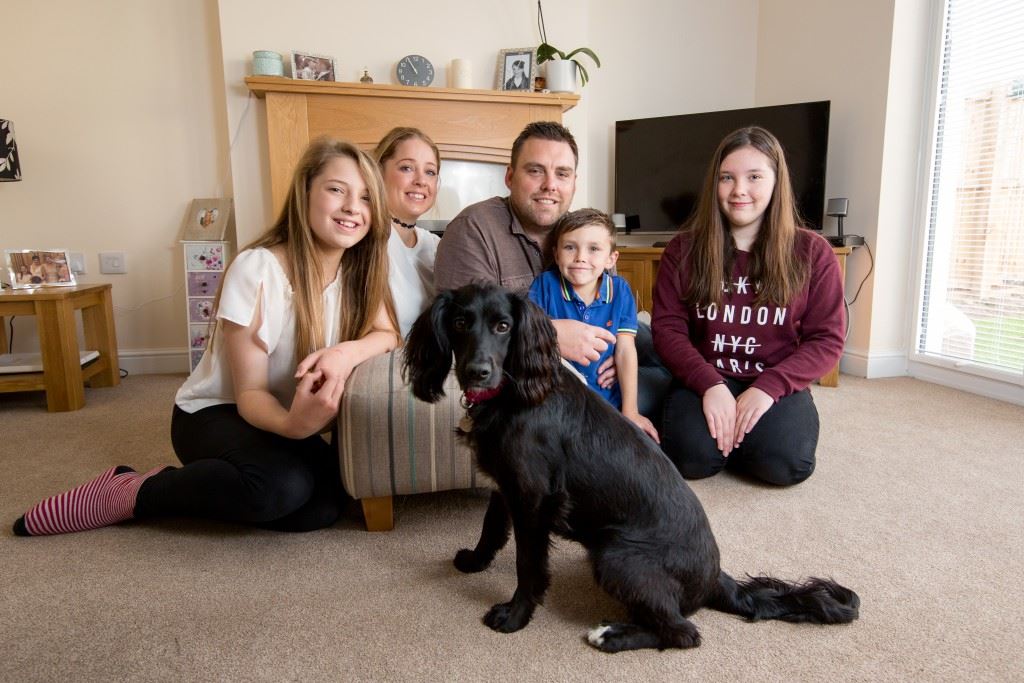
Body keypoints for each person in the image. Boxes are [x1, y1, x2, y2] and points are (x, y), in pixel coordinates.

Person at [13, 138, 400, 536]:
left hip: (286, 417)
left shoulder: (361, 271)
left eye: (367, 198)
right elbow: (251, 395)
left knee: (319, 510)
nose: (353, 207)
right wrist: (295, 428)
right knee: (277, 490)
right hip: (218, 412)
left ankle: (222, 479)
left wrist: (342, 353)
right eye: (337, 189)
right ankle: (134, 490)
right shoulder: (257, 268)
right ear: (305, 193)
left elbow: (387, 334)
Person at [651, 126, 845, 486]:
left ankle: (746, 440)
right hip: (704, 377)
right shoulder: (683, 250)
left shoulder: (813, 253)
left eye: (754, 177)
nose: (739, 190)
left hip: (773, 379)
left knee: (784, 466)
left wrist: (769, 387)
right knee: (690, 459)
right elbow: (668, 330)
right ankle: (731, 439)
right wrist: (709, 384)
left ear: (776, 182)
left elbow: (827, 340)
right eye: (727, 178)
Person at [435, 120, 670, 417]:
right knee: (661, 388)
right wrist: (550, 336)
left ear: (574, 182)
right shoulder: (473, 230)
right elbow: (470, 328)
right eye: (535, 171)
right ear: (509, 176)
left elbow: (608, 300)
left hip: (599, 357)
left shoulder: (577, 228)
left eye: (562, 174)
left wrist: (614, 357)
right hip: (541, 375)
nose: (550, 185)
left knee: (667, 350)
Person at [528, 208, 659, 441]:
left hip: (607, 399)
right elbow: (531, 336)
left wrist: (631, 411)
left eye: (594, 249)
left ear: (611, 259)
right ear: (556, 254)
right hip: (558, 402)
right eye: (570, 247)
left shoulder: (620, 290)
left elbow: (626, 349)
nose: (580, 257)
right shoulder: (545, 285)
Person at [374, 127, 441, 338]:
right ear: (378, 172)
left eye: (430, 172)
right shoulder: (366, 240)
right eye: (407, 168)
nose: (421, 181)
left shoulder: (435, 245)